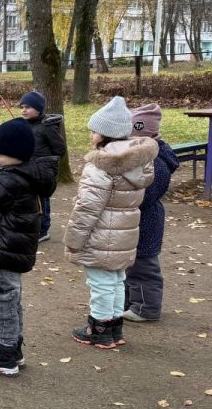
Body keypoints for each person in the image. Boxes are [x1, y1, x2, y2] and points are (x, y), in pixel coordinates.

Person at [0, 119, 57, 375]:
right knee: (10, 298)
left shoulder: (9, 180)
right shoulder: (21, 174)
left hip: (2, 250)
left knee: (3, 299)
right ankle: (12, 347)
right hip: (7, 248)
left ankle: (4, 354)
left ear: (17, 154)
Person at [66, 96, 157, 349]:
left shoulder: (101, 166)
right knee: (116, 279)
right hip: (123, 235)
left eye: (94, 130)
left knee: (101, 282)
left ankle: (99, 329)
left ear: (105, 133)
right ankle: (115, 327)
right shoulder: (138, 163)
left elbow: (87, 208)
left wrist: (74, 239)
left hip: (101, 235)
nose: (91, 135)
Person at [122, 103, 179, 323]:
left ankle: (147, 307)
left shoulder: (158, 164)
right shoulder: (143, 159)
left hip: (147, 222)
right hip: (134, 221)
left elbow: (146, 196)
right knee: (130, 266)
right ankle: (131, 301)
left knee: (144, 267)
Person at [19, 91, 66, 242]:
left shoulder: (47, 127)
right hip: (26, 167)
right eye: (22, 107)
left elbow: (59, 149)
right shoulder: (24, 125)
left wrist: (47, 163)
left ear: (39, 109)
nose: (24, 110)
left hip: (42, 171)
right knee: (28, 198)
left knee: (42, 200)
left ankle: (43, 228)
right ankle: (30, 226)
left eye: (28, 107)